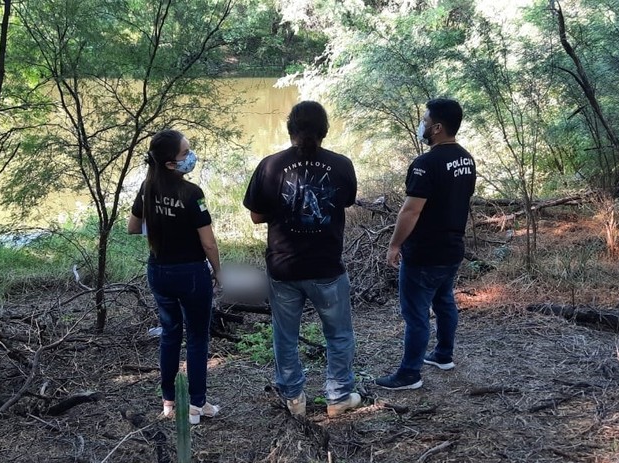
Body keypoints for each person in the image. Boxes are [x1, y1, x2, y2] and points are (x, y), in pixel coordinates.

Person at [243, 101, 361, 417]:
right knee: (338, 335)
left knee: (285, 336)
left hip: (283, 267)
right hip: (326, 267)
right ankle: (338, 397)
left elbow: (256, 215)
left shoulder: (270, 165)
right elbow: (345, 201)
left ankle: (294, 399)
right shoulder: (341, 165)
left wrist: (283, 210)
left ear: (290, 129)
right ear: (324, 130)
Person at [375, 98, 476, 390]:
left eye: (426, 120)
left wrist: (395, 245)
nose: (423, 124)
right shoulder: (466, 159)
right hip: (452, 249)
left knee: (416, 313)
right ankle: (443, 355)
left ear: (438, 127)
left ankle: (410, 373)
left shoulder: (426, 164)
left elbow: (411, 210)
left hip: (425, 252)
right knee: (444, 301)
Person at [128, 129, 221, 424]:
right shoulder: (192, 193)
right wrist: (218, 271)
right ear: (170, 163)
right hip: (192, 273)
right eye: (185, 154)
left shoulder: (147, 187)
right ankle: (196, 405)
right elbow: (208, 242)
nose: (190, 157)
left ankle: (169, 402)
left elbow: (132, 227)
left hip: (159, 271)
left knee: (170, 335)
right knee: (196, 338)